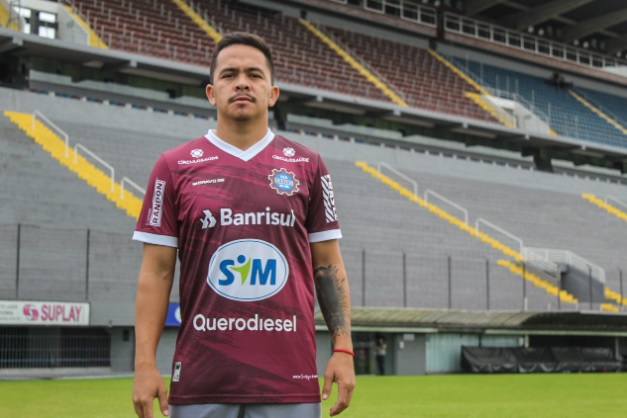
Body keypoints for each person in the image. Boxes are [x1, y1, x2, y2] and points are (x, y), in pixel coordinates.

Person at [131, 32, 355, 418]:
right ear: (211, 93)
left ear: (272, 93)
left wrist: (344, 348)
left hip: (290, 379)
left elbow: (328, 264)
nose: (241, 83)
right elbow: (156, 272)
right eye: (229, 74)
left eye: (254, 75)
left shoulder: (308, 165)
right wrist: (144, 364)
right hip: (201, 380)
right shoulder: (173, 167)